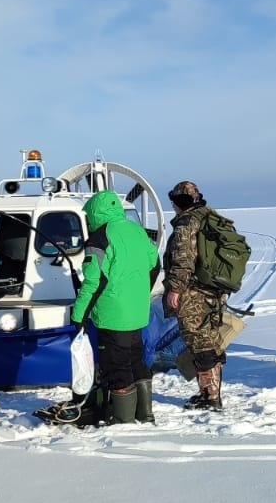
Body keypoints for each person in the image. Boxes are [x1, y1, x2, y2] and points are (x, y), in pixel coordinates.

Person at [70, 190, 162, 424]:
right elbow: (155, 264)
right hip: (137, 312)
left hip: (113, 314)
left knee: (116, 366)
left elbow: (93, 281)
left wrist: (78, 314)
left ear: (94, 214)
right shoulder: (137, 231)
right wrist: (141, 292)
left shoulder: (100, 239)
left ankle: (124, 421)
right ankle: (145, 414)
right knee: (136, 361)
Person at [163, 180, 230, 411]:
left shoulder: (187, 222)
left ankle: (210, 398)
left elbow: (183, 259)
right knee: (211, 341)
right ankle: (210, 393)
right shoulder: (209, 216)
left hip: (195, 294)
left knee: (200, 344)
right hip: (214, 290)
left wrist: (176, 289)